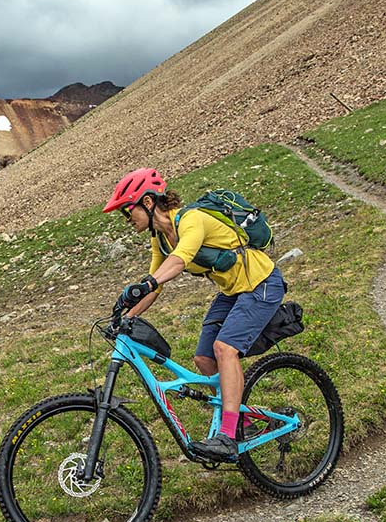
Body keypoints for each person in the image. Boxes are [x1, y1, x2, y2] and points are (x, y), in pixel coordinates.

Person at [103, 167, 286, 462]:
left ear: (148, 203)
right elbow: (154, 286)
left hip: (261, 283)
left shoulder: (192, 220)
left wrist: (149, 282)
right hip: (233, 291)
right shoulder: (160, 239)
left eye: (128, 211)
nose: (127, 220)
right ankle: (243, 423)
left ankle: (226, 437)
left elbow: (178, 261)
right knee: (204, 358)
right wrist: (125, 317)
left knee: (225, 349)